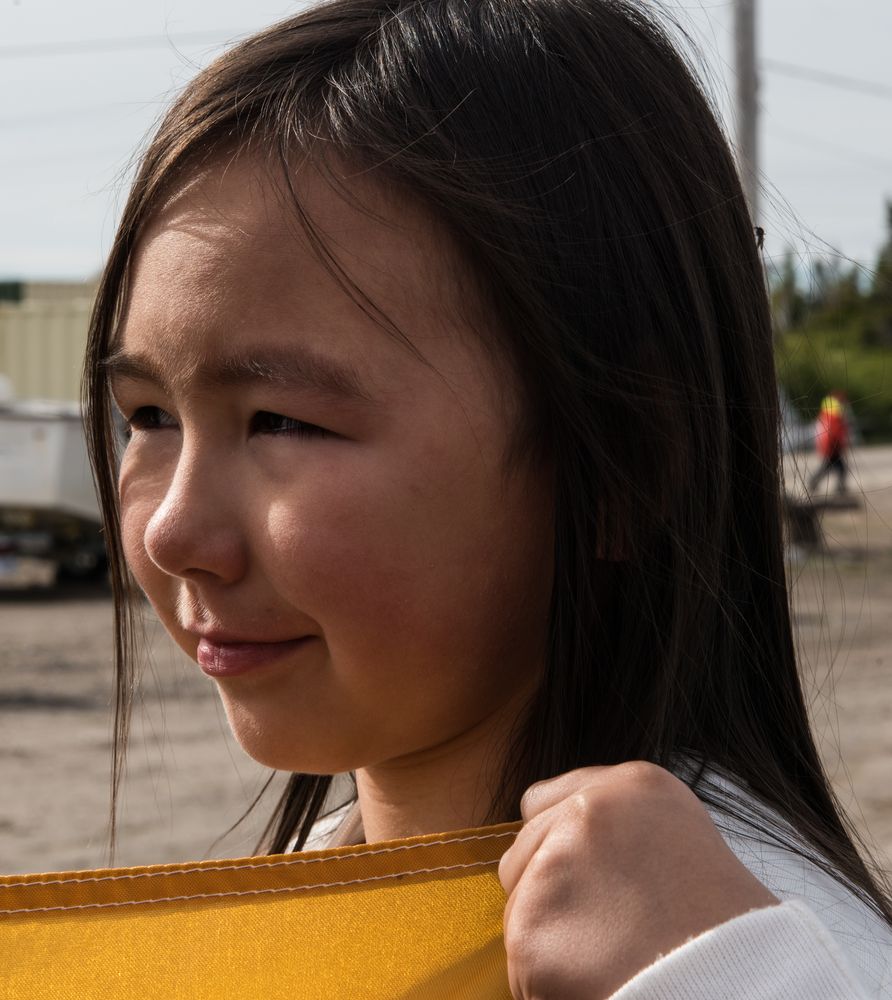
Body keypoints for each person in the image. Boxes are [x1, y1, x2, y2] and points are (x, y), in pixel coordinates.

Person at [82, 1, 892, 996]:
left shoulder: (753, 956)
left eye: (281, 422)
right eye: (148, 416)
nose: (172, 532)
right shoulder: (319, 912)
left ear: (626, 465)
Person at [810, 391, 851, 495]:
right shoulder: (835, 417)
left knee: (830, 467)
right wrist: (841, 445)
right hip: (832, 446)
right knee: (837, 467)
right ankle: (839, 487)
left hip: (828, 445)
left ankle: (814, 483)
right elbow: (836, 433)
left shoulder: (825, 414)